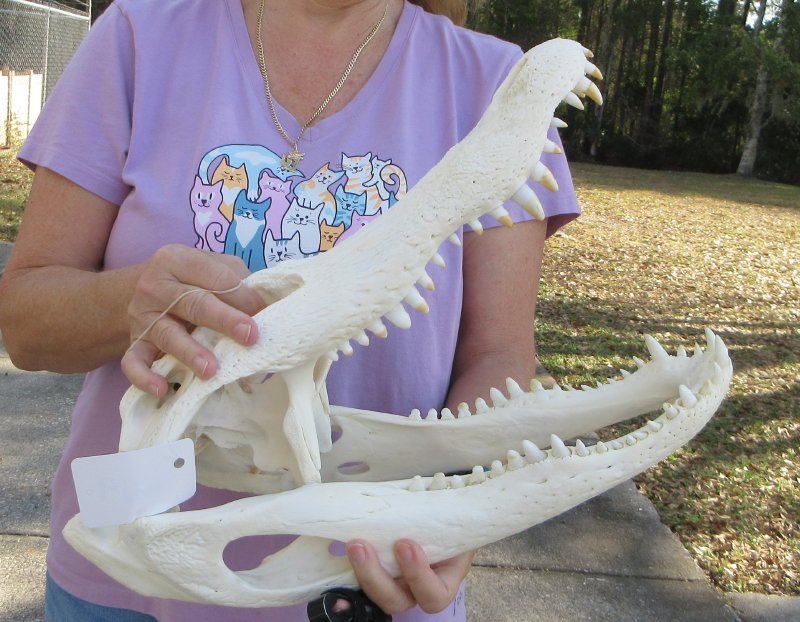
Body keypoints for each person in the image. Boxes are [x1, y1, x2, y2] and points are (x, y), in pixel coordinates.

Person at [0, 0, 580, 620]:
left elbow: (497, 353)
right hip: (121, 589)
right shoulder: (138, 37)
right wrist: (130, 299)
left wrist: (456, 507)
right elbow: (26, 325)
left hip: (370, 588)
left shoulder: (501, 84)